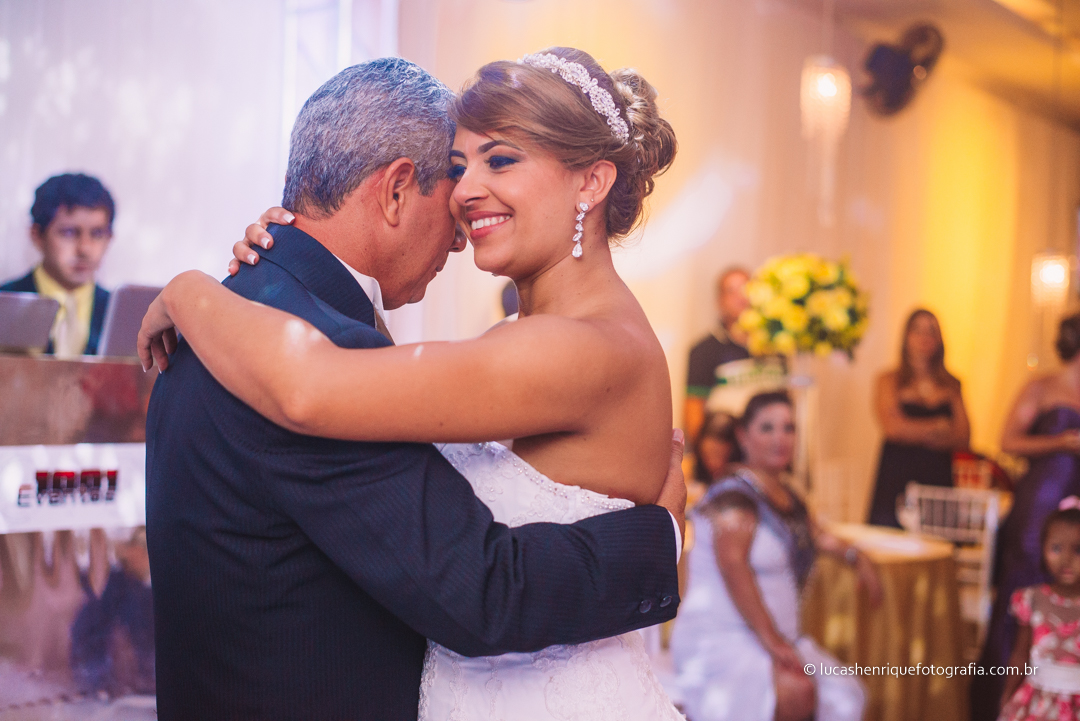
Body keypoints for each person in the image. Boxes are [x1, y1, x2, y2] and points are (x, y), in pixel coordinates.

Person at [139, 54, 685, 721]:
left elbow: (311, 384)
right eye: (458, 167)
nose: (464, 197)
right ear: (396, 190)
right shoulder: (287, 330)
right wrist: (660, 541)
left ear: (591, 182)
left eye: (499, 161)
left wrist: (190, 290)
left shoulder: (576, 346)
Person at [670, 391, 879, 721]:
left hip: (775, 635)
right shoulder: (732, 494)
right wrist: (774, 642)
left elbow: (816, 536)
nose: (780, 438)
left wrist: (857, 556)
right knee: (797, 691)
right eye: (767, 428)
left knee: (846, 697)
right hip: (723, 638)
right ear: (743, 436)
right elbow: (734, 567)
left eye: (788, 428)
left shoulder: (786, 492)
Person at [972, 312, 1080, 721]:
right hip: (1040, 507)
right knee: (1027, 594)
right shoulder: (1042, 386)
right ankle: (1007, 702)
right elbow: (1008, 441)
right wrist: (1061, 442)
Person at [867, 308, 970, 527]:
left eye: (931, 331)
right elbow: (894, 429)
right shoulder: (889, 380)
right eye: (918, 330)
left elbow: (963, 437)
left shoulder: (951, 385)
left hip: (937, 478)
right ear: (906, 337)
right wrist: (937, 426)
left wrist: (912, 431)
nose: (924, 337)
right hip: (897, 475)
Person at [1, 173, 114, 358]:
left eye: (97, 234)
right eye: (69, 232)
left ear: (110, 238)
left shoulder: (122, 315)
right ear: (37, 235)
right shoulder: (4, 304)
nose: (84, 249)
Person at [997, 499, 1080, 721]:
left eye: (1078, 550)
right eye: (1056, 548)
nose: (1066, 559)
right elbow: (1020, 654)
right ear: (1043, 549)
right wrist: (1008, 693)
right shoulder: (1031, 599)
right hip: (1038, 704)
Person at [684, 267, 752, 443]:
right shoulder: (704, 350)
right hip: (725, 448)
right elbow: (694, 412)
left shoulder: (775, 346)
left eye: (747, 289)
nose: (741, 297)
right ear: (719, 301)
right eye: (731, 291)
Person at [693, 410, 738, 484]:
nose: (715, 446)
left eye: (722, 439)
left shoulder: (740, 480)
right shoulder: (689, 471)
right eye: (706, 456)